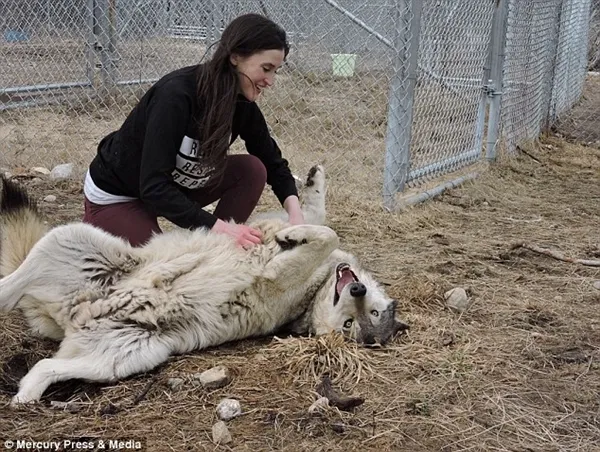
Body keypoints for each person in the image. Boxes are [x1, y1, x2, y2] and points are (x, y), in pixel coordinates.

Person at [82, 13, 304, 248]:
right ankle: (105, 223)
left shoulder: (242, 104)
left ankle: (218, 252)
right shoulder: (176, 95)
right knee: (158, 267)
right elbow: (154, 186)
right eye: (266, 68)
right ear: (235, 56)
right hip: (120, 194)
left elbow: (272, 162)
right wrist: (220, 227)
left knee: (252, 170)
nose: (270, 81)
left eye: (275, 71)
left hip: (170, 188)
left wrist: (296, 214)